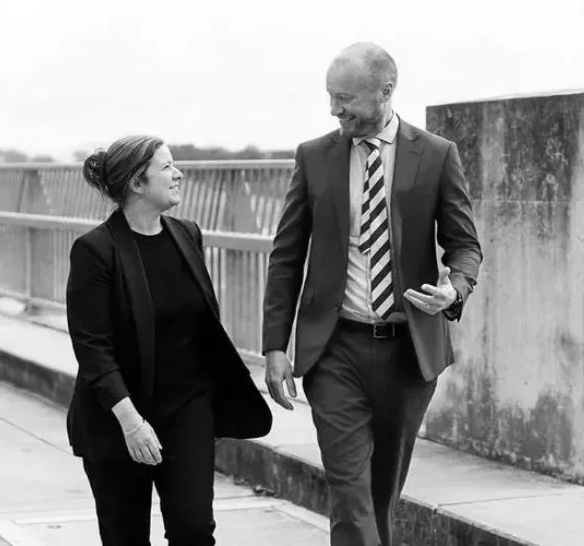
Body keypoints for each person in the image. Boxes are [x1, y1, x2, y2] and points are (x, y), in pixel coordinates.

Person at [262, 43, 483, 546]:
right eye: (331, 98)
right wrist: (275, 345)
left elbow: (465, 245)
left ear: (385, 92)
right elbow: (286, 254)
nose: (335, 110)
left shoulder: (436, 154)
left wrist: (454, 287)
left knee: (382, 490)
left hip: (408, 352)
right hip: (334, 348)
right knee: (348, 489)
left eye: (346, 99)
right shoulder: (314, 156)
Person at [65, 134, 272, 546]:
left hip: (187, 412)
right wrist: (132, 423)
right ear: (136, 184)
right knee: (125, 538)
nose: (178, 174)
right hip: (120, 417)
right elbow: (93, 349)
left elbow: (202, 327)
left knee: (194, 531)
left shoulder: (187, 234)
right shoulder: (95, 250)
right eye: (166, 167)